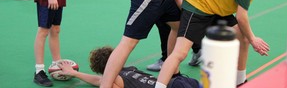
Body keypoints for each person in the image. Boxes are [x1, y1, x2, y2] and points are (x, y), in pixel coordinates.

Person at [154, 0, 285, 88]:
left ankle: (240, 82)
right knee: (180, 53)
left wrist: (249, 38)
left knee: (242, 37)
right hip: (198, 6)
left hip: (216, 8)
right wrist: (253, 39)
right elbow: (241, 16)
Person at [58, 46, 200, 88]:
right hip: (179, 82)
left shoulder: (114, 80)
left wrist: (75, 73)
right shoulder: (130, 68)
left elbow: (100, 81)